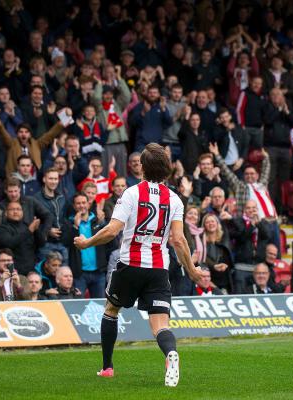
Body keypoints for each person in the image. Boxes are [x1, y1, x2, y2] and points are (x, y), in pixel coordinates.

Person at [74, 143, 201, 386]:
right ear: (166, 169)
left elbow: (111, 231)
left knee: (111, 310)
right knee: (160, 325)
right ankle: (170, 354)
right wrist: (192, 270)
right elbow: (179, 239)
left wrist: (86, 242)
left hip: (130, 265)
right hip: (158, 269)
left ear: (142, 167)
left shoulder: (131, 194)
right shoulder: (175, 199)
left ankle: (107, 367)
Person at [0, 201, 44, 275]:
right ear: (6, 213)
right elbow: (9, 243)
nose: (15, 211)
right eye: (12, 209)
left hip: (31, 269)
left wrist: (36, 230)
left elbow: (41, 243)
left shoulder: (27, 226)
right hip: (12, 270)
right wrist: (29, 231)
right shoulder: (2, 228)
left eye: (18, 209)